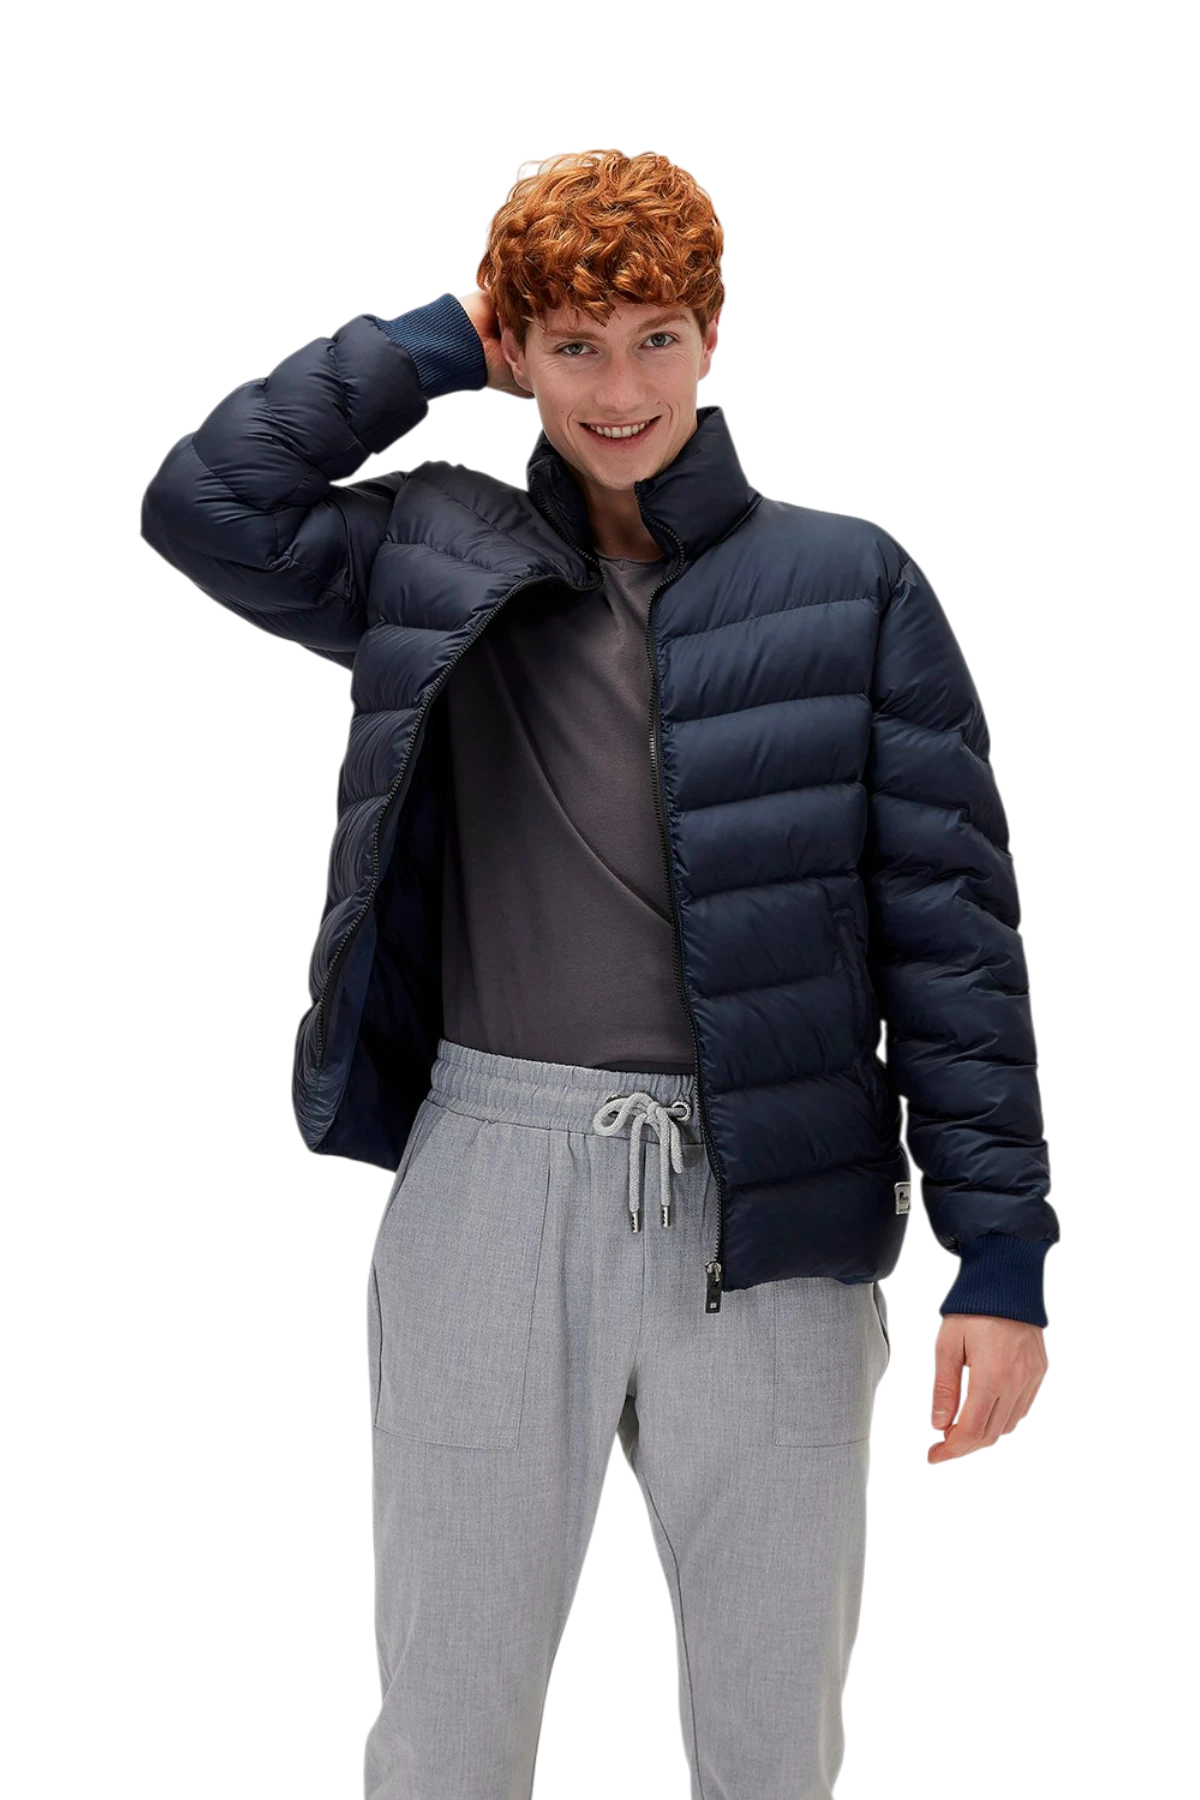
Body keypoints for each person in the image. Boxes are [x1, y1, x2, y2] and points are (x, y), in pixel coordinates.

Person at [139, 148, 1057, 1800]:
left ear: (715, 338)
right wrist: (444, 335)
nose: (620, 391)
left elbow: (951, 935)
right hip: (490, 1177)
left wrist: (999, 1260)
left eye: (655, 340)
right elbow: (209, 503)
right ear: (522, 351)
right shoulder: (436, 554)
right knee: (446, 1728)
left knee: (773, 1746)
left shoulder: (850, 584)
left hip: (779, 1200)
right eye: (574, 345)